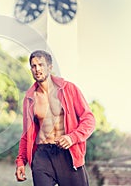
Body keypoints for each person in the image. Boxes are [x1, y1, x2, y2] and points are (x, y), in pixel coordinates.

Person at [15, 50, 96, 186]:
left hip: (68, 154)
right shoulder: (30, 98)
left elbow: (89, 120)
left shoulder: (69, 89)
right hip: (42, 156)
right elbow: (26, 134)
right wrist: (20, 161)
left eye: (41, 65)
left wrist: (72, 137)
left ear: (50, 67)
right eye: (33, 66)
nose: (37, 69)